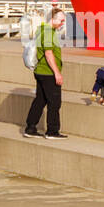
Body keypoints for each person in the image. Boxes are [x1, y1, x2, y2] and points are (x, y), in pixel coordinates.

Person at [24, 8, 67, 139]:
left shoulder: (41, 29)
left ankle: (30, 128)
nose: (62, 23)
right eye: (61, 20)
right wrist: (57, 73)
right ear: (52, 19)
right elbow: (48, 53)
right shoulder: (48, 32)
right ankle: (52, 131)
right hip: (48, 72)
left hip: (40, 71)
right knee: (54, 102)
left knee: (40, 100)